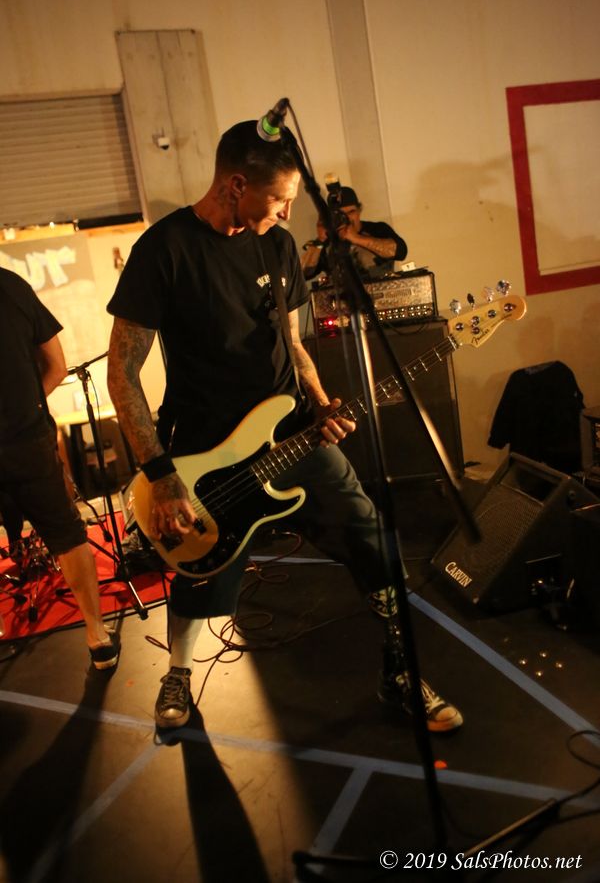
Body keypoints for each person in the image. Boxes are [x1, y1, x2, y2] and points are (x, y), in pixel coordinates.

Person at [106, 119, 462, 733]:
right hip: (203, 447)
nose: (289, 212)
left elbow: (293, 344)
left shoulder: (274, 244)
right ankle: (178, 674)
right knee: (198, 566)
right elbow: (122, 374)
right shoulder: (163, 250)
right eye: (280, 199)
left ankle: (400, 670)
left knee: (372, 538)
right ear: (236, 185)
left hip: (289, 430)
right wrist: (161, 476)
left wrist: (320, 402)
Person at [0, 267, 120, 670]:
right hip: (27, 439)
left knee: (67, 534)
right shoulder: (10, 285)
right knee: (67, 534)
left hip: (26, 440)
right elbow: (56, 367)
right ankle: (97, 636)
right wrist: (29, 408)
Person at [334, 185, 407, 278]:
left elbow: (400, 251)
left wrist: (356, 238)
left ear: (359, 210)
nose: (347, 217)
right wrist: (319, 242)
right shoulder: (330, 237)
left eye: (351, 212)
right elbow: (314, 270)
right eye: (341, 214)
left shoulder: (377, 229)